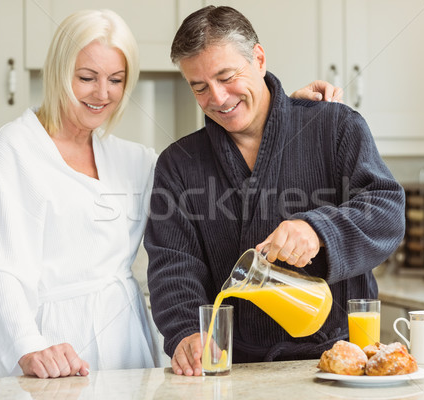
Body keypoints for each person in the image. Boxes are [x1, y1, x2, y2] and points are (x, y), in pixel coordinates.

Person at [0, 8, 340, 379]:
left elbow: (210, 170)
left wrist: (286, 115)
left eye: (115, 80)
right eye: (86, 77)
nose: (102, 93)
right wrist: (27, 346)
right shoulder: (17, 147)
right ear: (58, 73)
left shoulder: (129, 159)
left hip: (127, 348)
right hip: (53, 345)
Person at [144, 5, 406, 377]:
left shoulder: (333, 126)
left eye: (226, 76)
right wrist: (186, 331)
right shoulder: (179, 163)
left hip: (342, 364)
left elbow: (387, 211)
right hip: (236, 369)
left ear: (259, 59)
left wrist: (319, 231)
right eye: (199, 87)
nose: (217, 98)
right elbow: (173, 263)